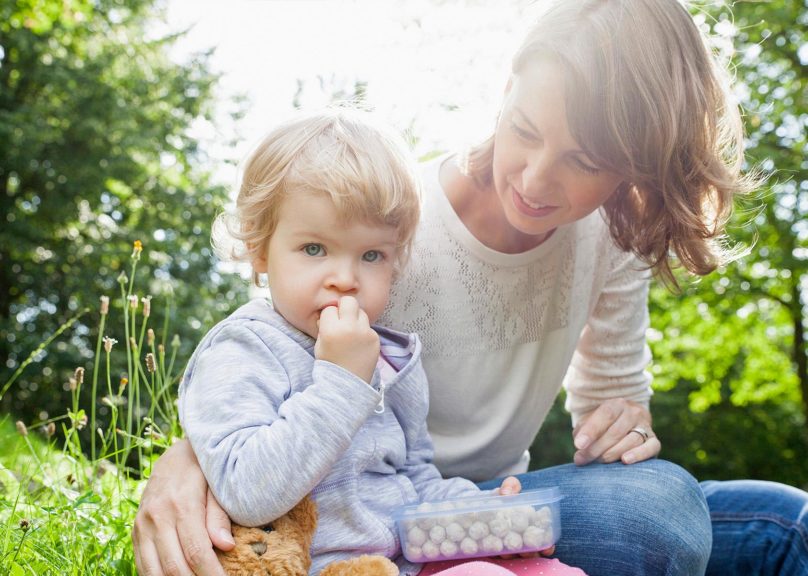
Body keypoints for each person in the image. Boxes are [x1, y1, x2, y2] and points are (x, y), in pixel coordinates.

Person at [132, 1, 808, 576]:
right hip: (364, 512)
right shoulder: (391, 232)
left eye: (584, 161)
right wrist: (194, 455)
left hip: (464, 501)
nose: (537, 180)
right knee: (661, 517)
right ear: (506, 89)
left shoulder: (612, 235)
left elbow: (609, 403)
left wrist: (623, 426)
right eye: (525, 131)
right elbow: (270, 339)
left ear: (633, 168)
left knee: (787, 523)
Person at [176, 109, 583, 576]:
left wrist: (480, 509)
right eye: (314, 249)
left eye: (372, 255)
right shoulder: (243, 347)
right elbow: (245, 491)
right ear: (260, 248)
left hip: (407, 560)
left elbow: (416, 479)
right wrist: (341, 381)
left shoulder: (391, 358)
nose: (345, 279)